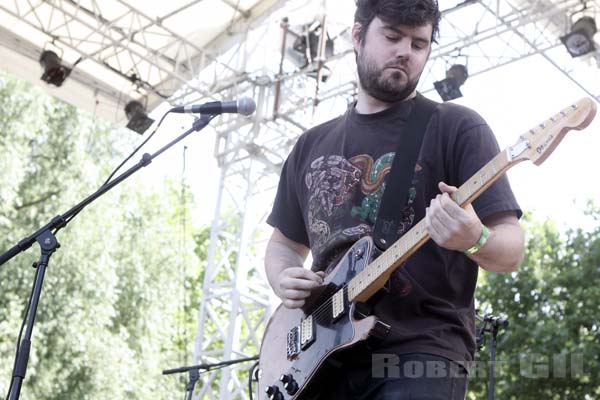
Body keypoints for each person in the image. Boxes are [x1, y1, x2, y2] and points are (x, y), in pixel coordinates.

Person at [264, 0, 525, 398]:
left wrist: (475, 238)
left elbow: (511, 250)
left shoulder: (457, 127)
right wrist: (285, 277)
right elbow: (283, 245)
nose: (405, 51)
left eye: (419, 44)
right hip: (318, 358)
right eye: (392, 36)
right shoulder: (310, 145)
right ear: (357, 35)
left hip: (420, 351)